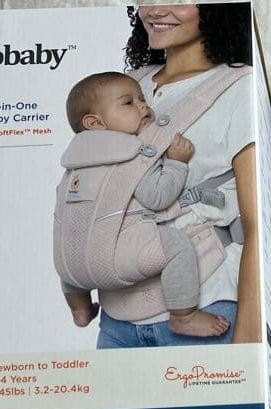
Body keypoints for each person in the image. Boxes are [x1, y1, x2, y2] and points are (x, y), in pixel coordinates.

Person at [95, 2, 259, 349]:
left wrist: (247, 345)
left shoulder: (240, 87)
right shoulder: (129, 83)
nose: (156, 9)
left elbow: (257, 226)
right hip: (118, 315)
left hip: (206, 302)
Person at [56, 71, 230, 338]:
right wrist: (176, 163)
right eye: (128, 103)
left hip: (71, 270)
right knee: (177, 245)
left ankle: (80, 310)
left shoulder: (73, 165)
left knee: (71, 248)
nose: (142, 106)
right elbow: (158, 197)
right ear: (95, 123)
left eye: (142, 99)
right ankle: (183, 316)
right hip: (116, 260)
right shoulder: (130, 153)